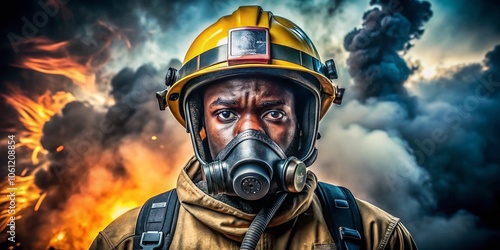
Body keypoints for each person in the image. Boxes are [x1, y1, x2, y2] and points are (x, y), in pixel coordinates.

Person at [90, 6, 417, 250]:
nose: (250, 134)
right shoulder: (129, 241)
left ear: (303, 125)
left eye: (274, 113)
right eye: (226, 114)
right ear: (198, 125)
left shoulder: (374, 236)